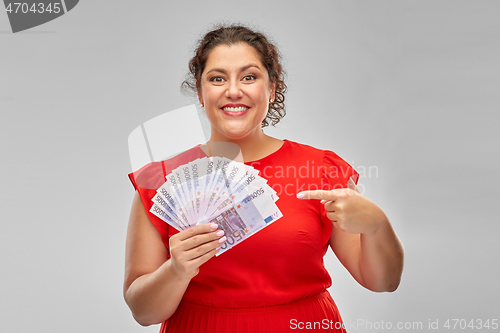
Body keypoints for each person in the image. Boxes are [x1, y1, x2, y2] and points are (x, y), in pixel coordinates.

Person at [123, 24, 404, 333]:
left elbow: (383, 282)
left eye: (249, 76)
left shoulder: (321, 169)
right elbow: (144, 312)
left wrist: (378, 225)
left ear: (271, 88)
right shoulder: (160, 182)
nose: (233, 90)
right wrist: (176, 270)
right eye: (217, 78)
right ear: (201, 92)